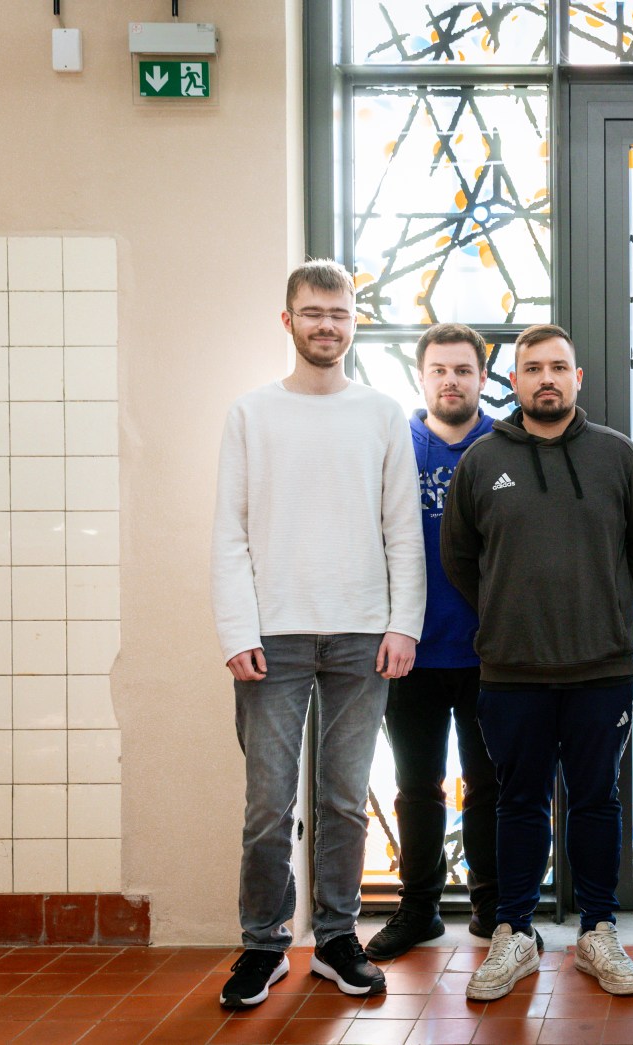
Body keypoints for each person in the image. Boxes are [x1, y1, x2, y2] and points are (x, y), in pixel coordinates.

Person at [211, 260, 424, 1008]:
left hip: (363, 634)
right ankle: (264, 945)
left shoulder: (382, 413)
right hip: (274, 635)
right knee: (268, 804)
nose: (326, 325)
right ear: (289, 320)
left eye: (338, 313)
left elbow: (403, 529)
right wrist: (236, 628)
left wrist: (403, 624)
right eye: (313, 312)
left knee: (342, 799)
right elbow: (229, 534)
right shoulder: (251, 414)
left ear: (354, 321)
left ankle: (336, 938)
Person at [441, 323, 633, 1001]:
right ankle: (514, 932)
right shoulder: (481, 460)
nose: (547, 378)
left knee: (597, 801)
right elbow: (460, 558)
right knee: (518, 801)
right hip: (512, 669)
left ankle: (598, 930)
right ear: (513, 381)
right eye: (533, 368)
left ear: (577, 378)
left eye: (558, 367)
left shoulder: (618, 455)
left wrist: (605, 601)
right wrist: (508, 606)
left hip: (600, 667)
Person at [364, 323, 518, 961]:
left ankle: (492, 908)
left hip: (492, 655)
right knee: (417, 786)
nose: (450, 381)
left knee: (489, 786)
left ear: (483, 377)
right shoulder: (393, 445)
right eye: (439, 370)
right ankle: (419, 908)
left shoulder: (509, 446)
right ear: (421, 377)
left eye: (462, 370)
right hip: (411, 652)